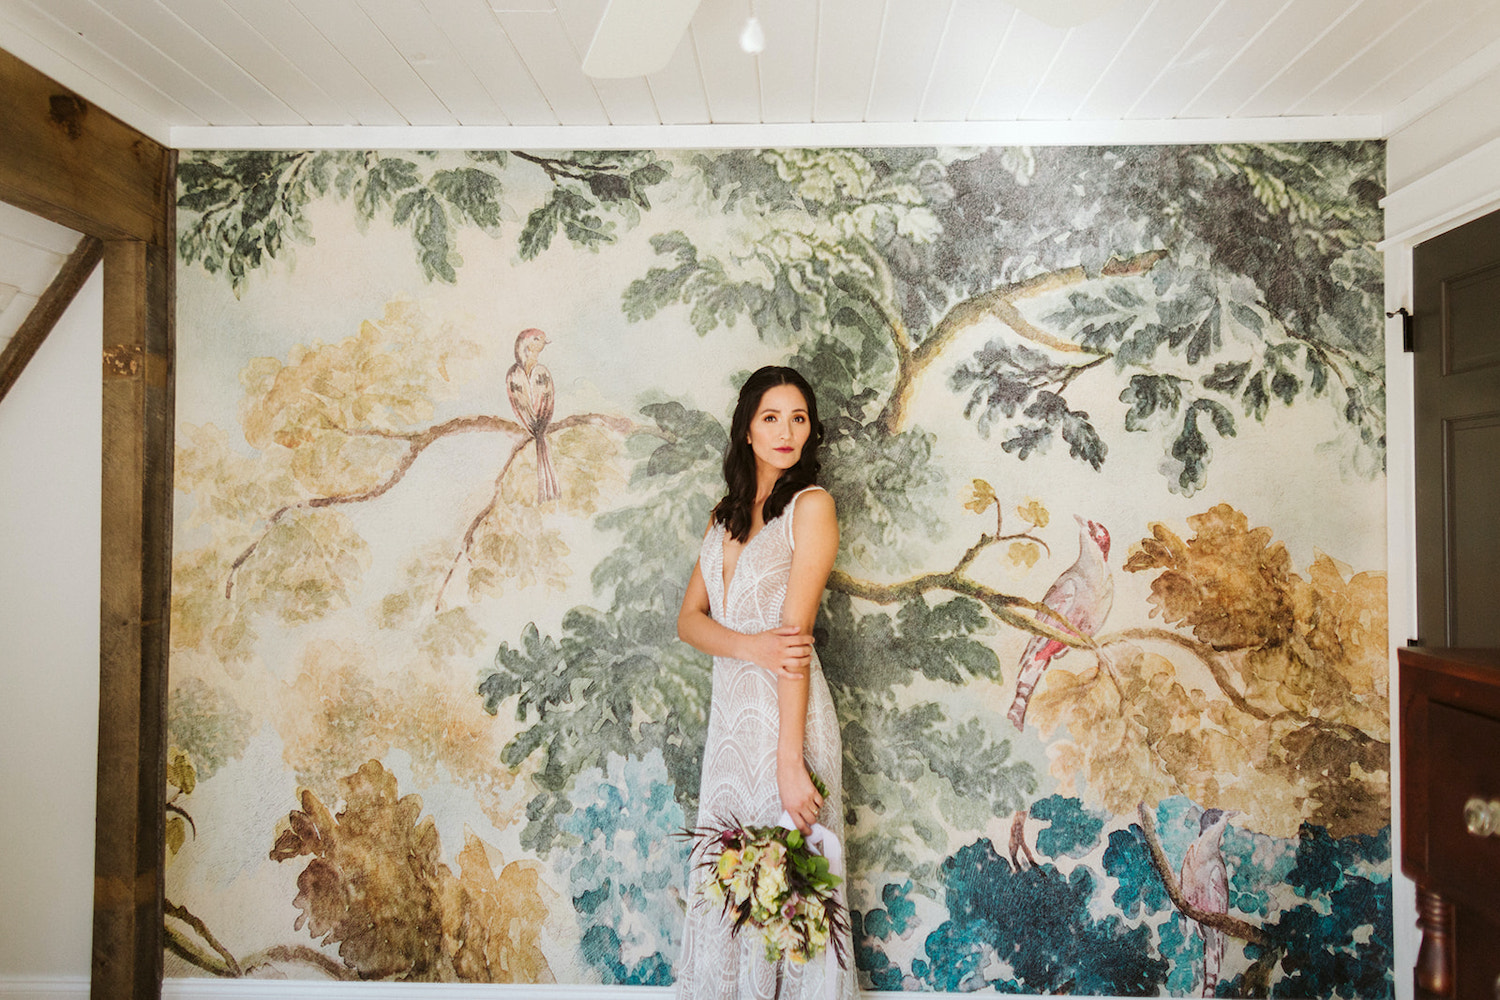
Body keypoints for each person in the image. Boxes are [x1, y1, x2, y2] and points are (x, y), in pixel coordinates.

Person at [674, 366, 856, 1000]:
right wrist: (750, 645)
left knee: (791, 894)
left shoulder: (812, 507)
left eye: (798, 418)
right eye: (772, 417)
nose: (786, 431)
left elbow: (794, 642)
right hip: (731, 725)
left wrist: (789, 762)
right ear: (747, 429)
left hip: (789, 720)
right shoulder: (722, 514)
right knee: (732, 885)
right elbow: (688, 621)